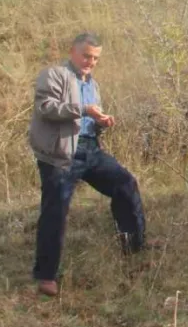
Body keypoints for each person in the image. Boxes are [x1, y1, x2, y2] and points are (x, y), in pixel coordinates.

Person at [28, 33, 148, 297]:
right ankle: (46, 275)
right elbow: (45, 107)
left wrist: (101, 123)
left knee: (125, 184)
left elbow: (88, 120)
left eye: (95, 58)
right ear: (72, 51)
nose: (90, 61)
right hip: (60, 155)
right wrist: (83, 110)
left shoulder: (92, 83)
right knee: (55, 210)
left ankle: (134, 248)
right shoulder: (54, 74)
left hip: (91, 150)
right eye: (86, 55)